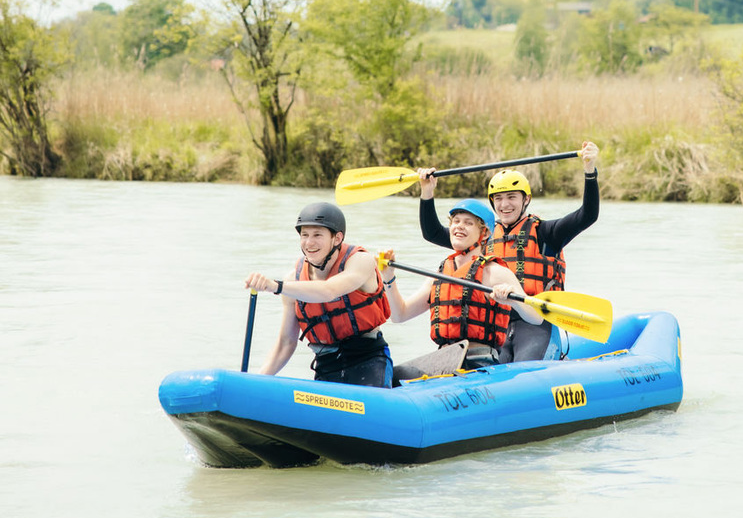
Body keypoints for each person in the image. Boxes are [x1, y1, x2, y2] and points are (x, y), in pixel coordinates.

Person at [417, 141, 600, 362]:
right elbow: (432, 232)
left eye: (512, 197)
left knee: (526, 368)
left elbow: (587, 215)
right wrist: (427, 193)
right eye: (499, 198)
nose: (505, 204)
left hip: (536, 324)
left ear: (526, 200)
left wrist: (589, 171)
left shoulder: (546, 233)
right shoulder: (481, 236)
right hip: (496, 325)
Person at [380, 198, 543, 378]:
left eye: (468, 223)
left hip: (479, 361)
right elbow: (399, 315)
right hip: (443, 360)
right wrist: (389, 278)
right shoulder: (441, 273)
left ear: (484, 232)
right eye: (456, 221)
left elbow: (536, 318)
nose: (459, 226)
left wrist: (512, 300)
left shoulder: (494, 272)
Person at [244, 201, 394, 388]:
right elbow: (286, 343)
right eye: (304, 235)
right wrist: (255, 382)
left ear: (337, 238)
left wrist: (275, 286)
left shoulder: (361, 261)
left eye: (317, 235)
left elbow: (328, 291)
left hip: (368, 360)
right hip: (326, 366)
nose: (309, 242)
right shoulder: (293, 279)